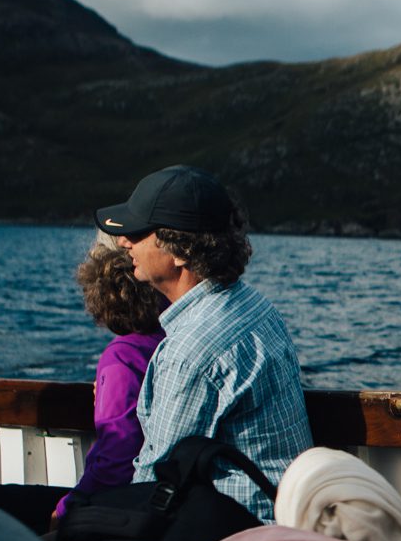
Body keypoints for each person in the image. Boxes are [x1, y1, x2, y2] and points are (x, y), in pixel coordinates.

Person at [95, 166, 311, 522]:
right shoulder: (254, 305)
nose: (123, 242)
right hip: (282, 518)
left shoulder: (192, 352)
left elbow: (153, 482)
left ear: (180, 251)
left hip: (238, 536)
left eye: (137, 232)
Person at [52, 238, 165, 522]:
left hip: (120, 504)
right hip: (152, 499)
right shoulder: (167, 341)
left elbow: (117, 457)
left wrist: (66, 508)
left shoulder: (122, 358)